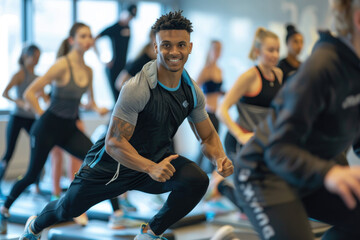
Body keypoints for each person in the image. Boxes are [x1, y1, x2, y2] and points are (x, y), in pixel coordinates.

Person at [17, 11, 234, 240]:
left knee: (197, 179)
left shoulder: (191, 91)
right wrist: (150, 167)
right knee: (66, 209)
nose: (174, 52)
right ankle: (34, 226)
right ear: (156, 47)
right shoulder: (138, 87)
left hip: (154, 162)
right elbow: (113, 142)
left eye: (181, 45)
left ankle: (149, 234)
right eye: (166, 45)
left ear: (190, 47)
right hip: (110, 167)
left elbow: (208, 137)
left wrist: (219, 157)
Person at [229, 0, 360, 239]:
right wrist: (329, 173)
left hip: (307, 172)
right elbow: (278, 149)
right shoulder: (323, 67)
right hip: (264, 175)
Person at [0, 22, 108, 234]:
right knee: (32, 174)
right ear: (72, 40)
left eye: (90, 36)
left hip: (68, 128)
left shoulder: (89, 71)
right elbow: (30, 93)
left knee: (97, 161)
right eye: (83, 36)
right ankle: (4, 208)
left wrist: (99, 109)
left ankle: (116, 213)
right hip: (47, 127)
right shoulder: (61, 65)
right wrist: (42, 116)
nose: (88, 40)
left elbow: (90, 102)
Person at [215, 27, 282, 214]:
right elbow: (222, 109)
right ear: (258, 51)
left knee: (266, 196)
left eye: (277, 49)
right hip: (239, 142)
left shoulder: (278, 75)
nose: (275, 54)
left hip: (261, 142)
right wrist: (240, 135)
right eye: (270, 50)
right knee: (249, 207)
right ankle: (221, 185)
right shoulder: (250, 76)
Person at [0, 44, 43, 202]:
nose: (37, 60)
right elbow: (5, 93)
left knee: (38, 149)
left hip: (31, 118)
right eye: (35, 56)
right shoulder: (20, 74)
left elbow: (44, 97)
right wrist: (19, 102)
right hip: (17, 117)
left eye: (39, 57)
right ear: (26, 56)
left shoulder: (38, 78)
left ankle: (36, 185)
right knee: (9, 153)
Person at [94, 4, 137, 103]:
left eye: (132, 17)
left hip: (123, 67)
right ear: (124, 13)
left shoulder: (128, 28)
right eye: (129, 16)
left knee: (123, 98)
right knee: (116, 99)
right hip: (113, 68)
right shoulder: (114, 27)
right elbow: (94, 39)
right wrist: (102, 59)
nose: (130, 19)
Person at [195, 40, 224, 173]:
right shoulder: (205, 70)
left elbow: (217, 90)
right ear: (210, 51)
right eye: (215, 49)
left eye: (220, 49)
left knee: (215, 148)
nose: (218, 52)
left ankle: (212, 177)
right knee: (205, 148)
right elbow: (193, 87)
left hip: (216, 113)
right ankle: (195, 174)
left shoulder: (219, 70)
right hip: (206, 113)